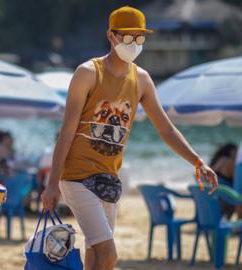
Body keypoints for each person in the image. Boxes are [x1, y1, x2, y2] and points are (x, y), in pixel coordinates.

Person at [41, 6, 219, 270]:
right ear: (111, 36)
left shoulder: (143, 80)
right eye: (127, 37)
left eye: (139, 38)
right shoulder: (88, 73)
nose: (134, 44)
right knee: (108, 253)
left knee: (96, 255)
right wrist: (52, 183)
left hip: (110, 179)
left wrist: (197, 162)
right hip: (77, 176)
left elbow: (167, 129)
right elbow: (67, 130)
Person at [210, 143, 238, 219]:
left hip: (214, 195)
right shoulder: (229, 161)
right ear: (231, 152)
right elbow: (237, 179)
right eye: (236, 150)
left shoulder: (219, 160)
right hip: (226, 195)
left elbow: (209, 174)